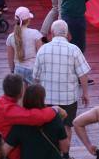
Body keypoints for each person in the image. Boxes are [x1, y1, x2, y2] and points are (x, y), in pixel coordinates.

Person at [34, 20, 92, 159]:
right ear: (67, 34)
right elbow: (83, 74)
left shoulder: (43, 49)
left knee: (47, 126)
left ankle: (50, 154)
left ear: (52, 33)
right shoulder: (74, 50)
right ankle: (65, 155)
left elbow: (36, 76)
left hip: (47, 98)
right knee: (66, 126)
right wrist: (85, 93)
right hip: (68, 98)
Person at [0, 74, 60, 159]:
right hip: (4, 154)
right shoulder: (10, 110)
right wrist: (55, 110)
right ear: (20, 92)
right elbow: (37, 117)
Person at [4, 84, 68, 159]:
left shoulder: (21, 121)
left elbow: (5, 149)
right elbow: (64, 143)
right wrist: (66, 156)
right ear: (42, 99)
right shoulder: (54, 117)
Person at [6, 7, 43, 84]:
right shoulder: (35, 34)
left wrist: (13, 71)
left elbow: (10, 58)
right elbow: (41, 54)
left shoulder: (11, 37)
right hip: (32, 69)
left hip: (18, 69)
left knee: (21, 94)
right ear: (29, 20)